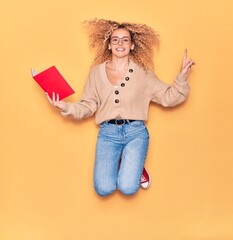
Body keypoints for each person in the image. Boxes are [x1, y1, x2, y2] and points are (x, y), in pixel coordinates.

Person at [46, 19, 195, 196]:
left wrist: (182, 77)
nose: (120, 44)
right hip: (108, 134)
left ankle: (135, 167)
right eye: (115, 39)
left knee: (128, 188)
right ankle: (128, 163)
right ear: (108, 45)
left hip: (135, 132)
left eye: (125, 40)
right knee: (103, 189)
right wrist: (65, 106)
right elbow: (88, 105)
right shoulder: (96, 73)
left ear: (132, 45)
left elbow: (168, 97)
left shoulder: (143, 73)